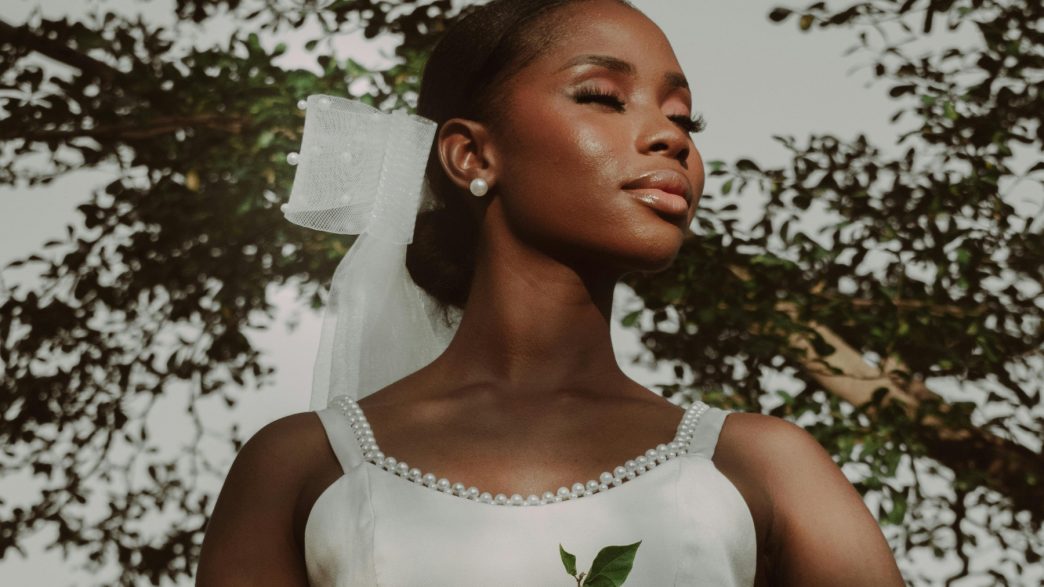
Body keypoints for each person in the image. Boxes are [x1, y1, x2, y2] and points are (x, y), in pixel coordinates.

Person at [196, 0, 906, 585]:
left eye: (685, 118)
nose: (669, 137)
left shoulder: (764, 466)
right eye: (603, 96)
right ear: (472, 155)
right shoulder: (300, 468)